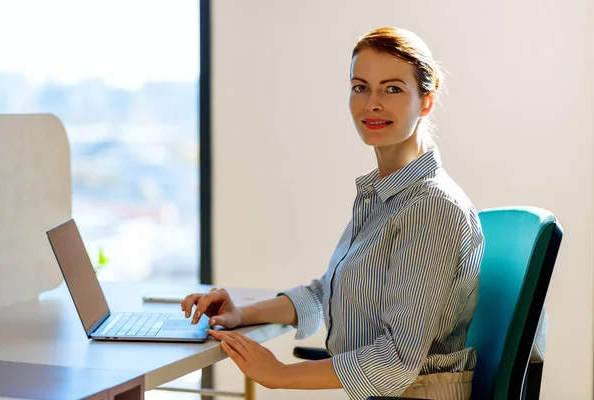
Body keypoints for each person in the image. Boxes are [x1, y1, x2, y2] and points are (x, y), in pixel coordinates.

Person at [181, 26, 485, 400]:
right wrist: (241, 314)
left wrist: (281, 374)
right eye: (360, 87)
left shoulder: (431, 208)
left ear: (426, 102)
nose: (372, 103)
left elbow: (396, 361)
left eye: (392, 88)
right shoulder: (384, 196)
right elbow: (330, 292)